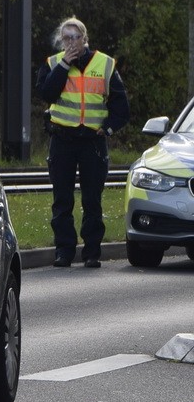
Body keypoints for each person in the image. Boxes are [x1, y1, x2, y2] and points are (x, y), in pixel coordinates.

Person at [35, 17, 130, 269]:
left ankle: (91, 253)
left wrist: (107, 128)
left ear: (85, 38)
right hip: (62, 139)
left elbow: (122, 107)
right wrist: (65, 64)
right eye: (67, 38)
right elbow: (46, 94)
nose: (72, 42)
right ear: (61, 41)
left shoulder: (105, 64)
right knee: (62, 199)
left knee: (92, 199)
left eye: (76, 37)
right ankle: (64, 251)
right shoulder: (53, 63)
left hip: (92, 142)